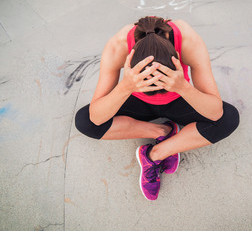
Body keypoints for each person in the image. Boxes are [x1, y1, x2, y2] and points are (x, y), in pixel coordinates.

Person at [75, 16, 240, 201]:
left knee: (229, 118)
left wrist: (183, 87)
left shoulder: (188, 41)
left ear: (176, 57)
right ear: (130, 62)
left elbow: (216, 112)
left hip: (178, 97)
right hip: (136, 100)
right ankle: (162, 130)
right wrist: (126, 86)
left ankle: (155, 154)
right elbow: (96, 118)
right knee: (84, 121)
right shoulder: (118, 45)